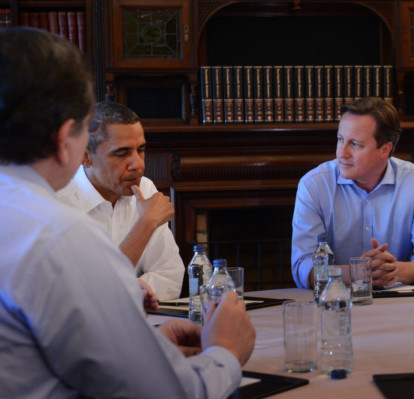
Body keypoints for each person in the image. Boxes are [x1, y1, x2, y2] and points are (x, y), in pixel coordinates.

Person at [0, 27, 255, 398]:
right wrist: (226, 351)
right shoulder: (58, 235)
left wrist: (147, 345)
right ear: (66, 138)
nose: (136, 163)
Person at [291, 97, 414, 288]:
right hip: (336, 302)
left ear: (385, 150)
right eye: (340, 140)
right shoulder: (314, 185)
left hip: (400, 304)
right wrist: (356, 273)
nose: (342, 153)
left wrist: (395, 271)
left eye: (355, 144)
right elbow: (304, 267)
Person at [58, 101, 183, 300]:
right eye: (122, 154)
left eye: (140, 150)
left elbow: (170, 275)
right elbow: (85, 298)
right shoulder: (58, 203)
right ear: (85, 157)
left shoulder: (145, 189)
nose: (138, 165)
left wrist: (126, 293)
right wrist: (146, 223)